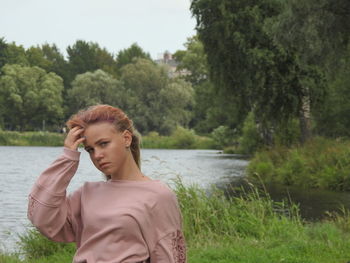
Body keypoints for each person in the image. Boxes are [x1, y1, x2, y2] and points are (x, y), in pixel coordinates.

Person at [27, 104, 186, 263]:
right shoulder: (87, 193)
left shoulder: (159, 196)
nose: (97, 155)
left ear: (126, 138)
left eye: (103, 144)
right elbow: (42, 218)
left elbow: (168, 257)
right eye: (90, 149)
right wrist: (68, 157)